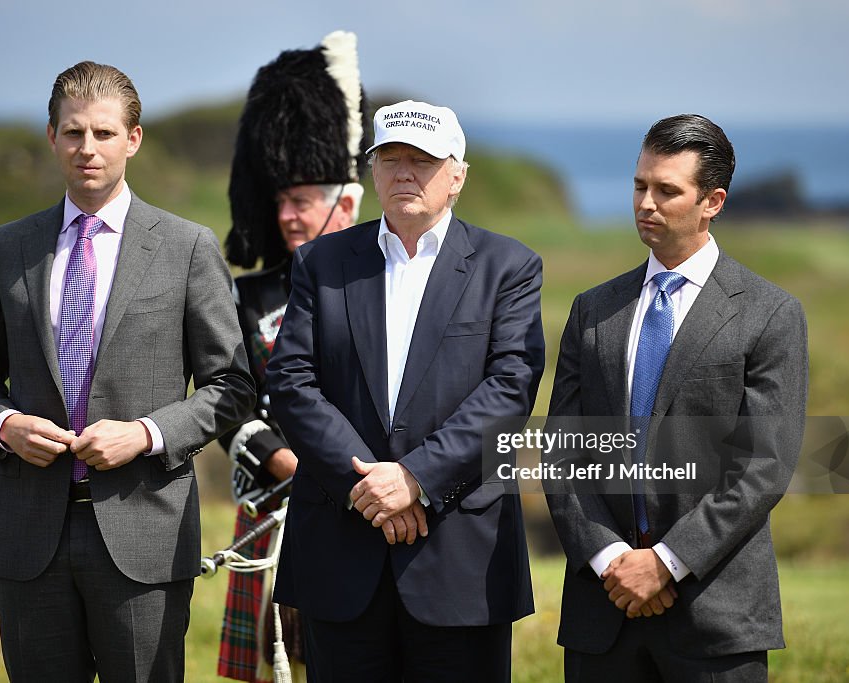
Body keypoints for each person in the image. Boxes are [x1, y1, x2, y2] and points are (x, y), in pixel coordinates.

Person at [0, 61, 255, 682]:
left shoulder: (187, 247)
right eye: (73, 133)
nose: (87, 148)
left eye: (104, 133)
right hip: (28, 534)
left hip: (145, 532)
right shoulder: (7, 247)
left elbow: (232, 388)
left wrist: (144, 433)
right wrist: (4, 424)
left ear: (133, 140)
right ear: (52, 137)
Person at [266, 99, 545, 682]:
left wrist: (416, 479)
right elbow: (291, 382)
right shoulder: (322, 261)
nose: (404, 173)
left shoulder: (508, 266)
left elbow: (510, 388)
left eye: (422, 160)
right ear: (372, 171)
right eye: (389, 158)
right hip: (341, 551)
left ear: (457, 175)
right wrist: (371, 486)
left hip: (460, 557)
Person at [546, 114, 808, 682]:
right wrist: (610, 559)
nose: (646, 202)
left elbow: (764, 465)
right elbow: (562, 455)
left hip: (716, 617)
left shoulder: (771, 314)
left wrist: (666, 564)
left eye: (667, 190)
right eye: (640, 186)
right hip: (603, 612)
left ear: (712, 201)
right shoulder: (592, 310)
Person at [216, 31, 369, 683]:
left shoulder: (386, 287)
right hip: (277, 513)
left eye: (300, 199)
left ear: (347, 202)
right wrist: (287, 461)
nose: (286, 215)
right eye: (278, 199)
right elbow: (229, 402)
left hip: (372, 510)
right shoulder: (246, 297)